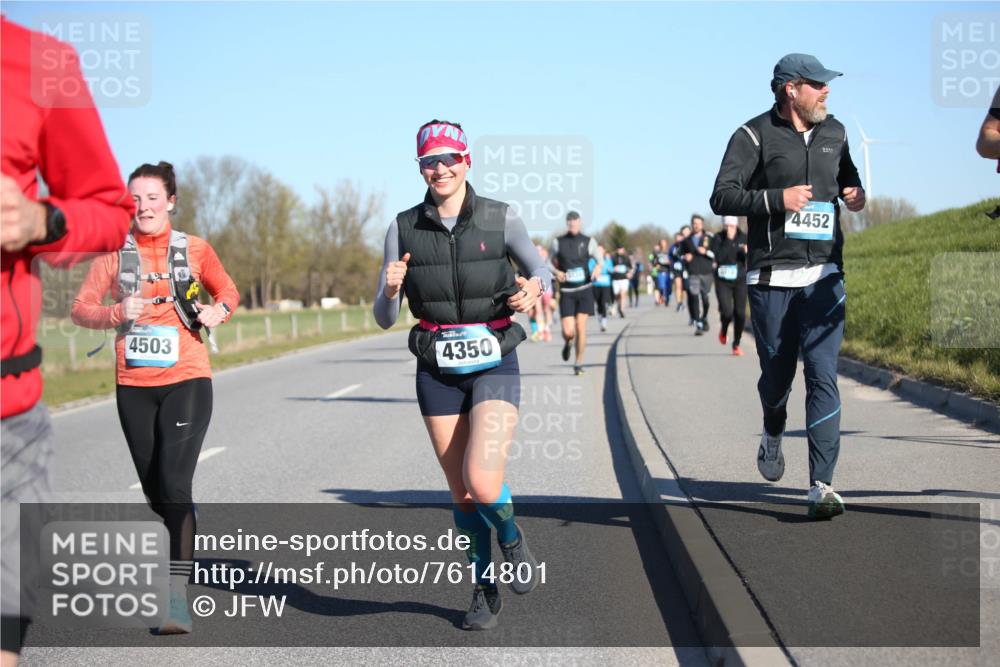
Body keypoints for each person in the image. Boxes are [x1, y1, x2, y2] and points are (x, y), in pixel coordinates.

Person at [373, 120, 550, 630]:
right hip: (436, 370)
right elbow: (385, 317)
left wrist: (535, 289)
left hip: (494, 358)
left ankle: (512, 539)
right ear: (420, 169)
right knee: (461, 493)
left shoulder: (501, 217)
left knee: (482, 477)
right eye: (429, 161)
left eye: (449, 158)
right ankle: (483, 587)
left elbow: (540, 269)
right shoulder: (402, 227)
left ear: (467, 160)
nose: (440, 168)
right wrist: (388, 289)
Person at [1, 18, 134, 663]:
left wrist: (39, 219)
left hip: (5, 409)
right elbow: (86, 308)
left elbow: (107, 211)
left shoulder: (41, 62)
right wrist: (108, 317)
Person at [72, 162, 239, 633]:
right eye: (134, 199)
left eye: (151, 198)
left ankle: (176, 600)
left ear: (170, 201)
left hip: (188, 377)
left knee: (174, 485)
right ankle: (180, 514)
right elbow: (81, 308)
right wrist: (115, 312)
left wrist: (216, 312)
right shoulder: (112, 255)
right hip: (133, 387)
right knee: (155, 492)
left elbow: (227, 290)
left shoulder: (194, 249)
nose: (142, 207)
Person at [710, 53, 865, 519]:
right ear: (791, 89)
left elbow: (848, 179)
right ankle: (773, 427)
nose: (827, 91)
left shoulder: (835, 132)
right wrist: (778, 199)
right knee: (778, 378)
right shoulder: (751, 135)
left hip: (824, 276)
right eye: (818, 84)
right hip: (771, 277)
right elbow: (721, 196)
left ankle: (822, 484)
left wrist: (855, 194)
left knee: (822, 373)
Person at [549, 211, 599, 376]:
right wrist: (556, 272)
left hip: (584, 289)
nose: (573, 225)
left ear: (580, 222)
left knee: (581, 326)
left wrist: (597, 269)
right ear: (567, 224)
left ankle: (579, 363)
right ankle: (568, 342)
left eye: (575, 222)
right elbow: (546, 262)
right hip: (567, 291)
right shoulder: (558, 242)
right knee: (569, 331)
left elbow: (601, 260)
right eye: (570, 222)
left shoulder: (589, 241)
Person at [710, 216, 749, 355]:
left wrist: (746, 253)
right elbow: (719, 257)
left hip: (740, 279)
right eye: (727, 225)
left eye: (731, 225)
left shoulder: (744, 237)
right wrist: (729, 240)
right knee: (726, 312)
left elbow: (747, 259)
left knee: (740, 313)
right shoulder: (718, 238)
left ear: (736, 224)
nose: (729, 228)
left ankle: (736, 343)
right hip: (722, 280)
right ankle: (724, 329)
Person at [681, 215, 714, 334]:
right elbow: (680, 255)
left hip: (706, 272)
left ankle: (704, 316)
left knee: (705, 299)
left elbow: (717, 253)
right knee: (694, 297)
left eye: (698, 223)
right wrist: (685, 257)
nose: (696, 225)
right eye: (694, 223)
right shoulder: (686, 240)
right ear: (691, 224)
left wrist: (707, 252)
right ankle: (698, 324)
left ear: (702, 224)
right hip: (693, 272)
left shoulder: (709, 237)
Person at [589, 244, 614, 332]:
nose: (599, 252)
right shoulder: (592, 260)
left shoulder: (607, 260)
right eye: (598, 250)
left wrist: (607, 269)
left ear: (604, 251)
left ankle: (604, 322)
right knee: (599, 304)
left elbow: (611, 269)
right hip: (596, 284)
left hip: (605, 284)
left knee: (603, 302)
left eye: (601, 250)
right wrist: (595, 273)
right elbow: (590, 270)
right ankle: (600, 319)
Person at [667, 232, 687, 312]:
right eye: (677, 238)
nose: (678, 240)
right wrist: (671, 266)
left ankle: (683, 302)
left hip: (685, 268)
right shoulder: (672, 247)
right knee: (678, 286)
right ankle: (679, 303)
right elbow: (669, 258)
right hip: (676, 269)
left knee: (684, 288)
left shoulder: (686, 246)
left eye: (680, 238)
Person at [609, 246, 633, 317]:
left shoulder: (626, 258)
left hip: (624, 278)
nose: (620, 250)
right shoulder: (613, 258)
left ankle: (622, 309)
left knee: (623, 294)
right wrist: (613, 269)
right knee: (617, 295)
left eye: (621, 249)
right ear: (617, 250)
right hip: (616, 279)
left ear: (623, 250)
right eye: (619, 249)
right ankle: (617, 305)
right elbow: (609, 267)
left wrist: (630, 273)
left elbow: (630, 268)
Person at [651, 240, 672, 306]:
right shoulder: (657, 253)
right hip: (660, 271)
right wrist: (656, 265)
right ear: (660, 244)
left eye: (664, 243)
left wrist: (670, 262)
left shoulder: (669, 252)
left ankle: (667, 298)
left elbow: (673, 260)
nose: (663, 245)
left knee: (669, 288)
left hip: (668, 271)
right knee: (662, 286)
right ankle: (662, 297)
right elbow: (653, 261)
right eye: (662, 243)